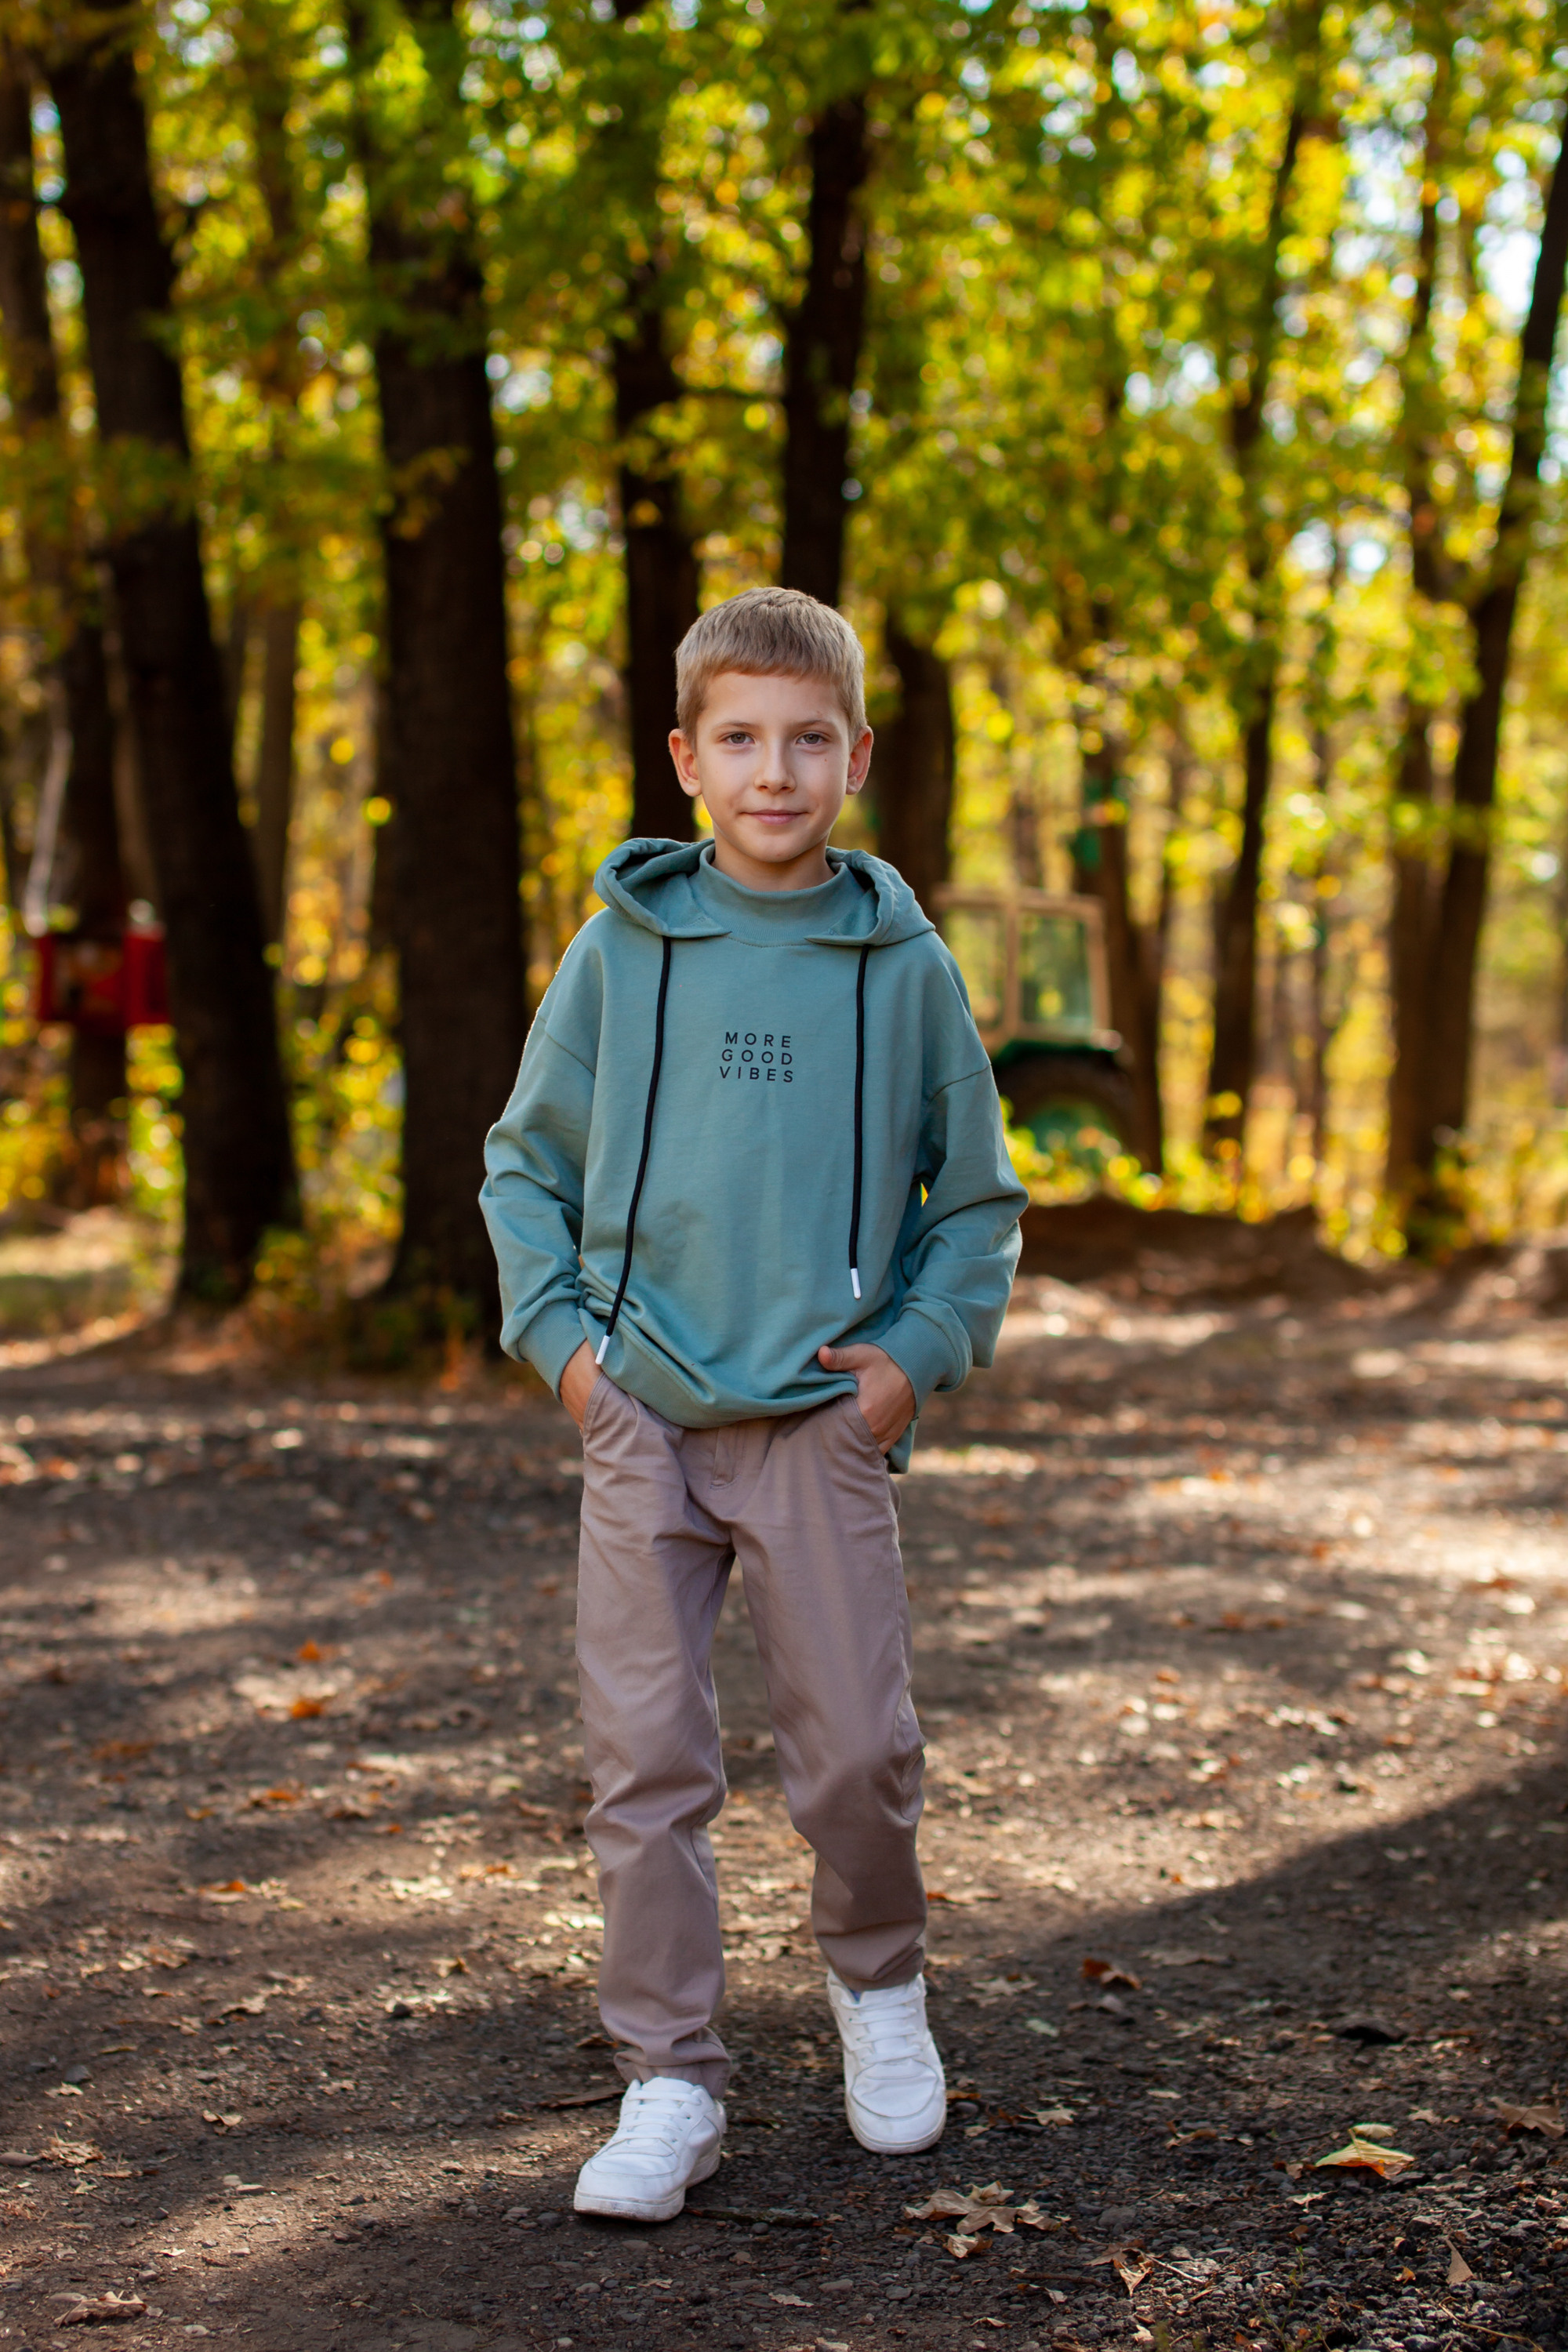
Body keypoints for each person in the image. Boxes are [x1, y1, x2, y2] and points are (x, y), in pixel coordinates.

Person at [481, 586, 1027, 2223]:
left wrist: (908, 1361)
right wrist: (568, 1354)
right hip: (640, 1411)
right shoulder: (620, 950)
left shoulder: (902, 964)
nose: (771, 771)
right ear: (685, 759)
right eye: (738, 738)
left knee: (854, 1751)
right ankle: (669, 2079)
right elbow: (525, 1165)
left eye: (806, 740)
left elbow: (976, 1204)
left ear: (855, 757)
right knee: (644, 1763)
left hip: (815, 1419)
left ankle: (880, 1989)